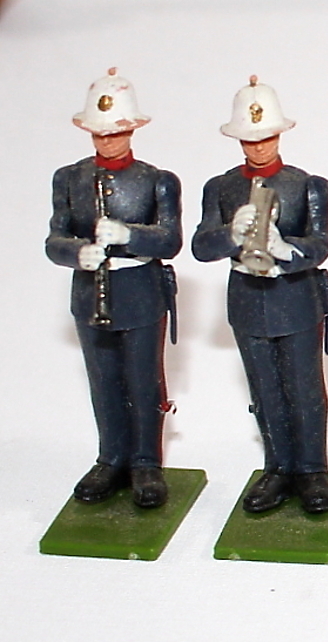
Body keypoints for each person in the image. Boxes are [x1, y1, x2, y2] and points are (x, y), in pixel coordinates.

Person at [191, 76, 328, 513]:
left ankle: (312, 470)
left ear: (279, 135)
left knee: (305, 389)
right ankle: (277, 467)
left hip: (295, 298)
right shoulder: (221, 188)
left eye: (266, 138)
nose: (258, 148)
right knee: (265, 389)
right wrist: (230, 235)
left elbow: (321, 244)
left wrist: (285, 250)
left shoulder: (307, 185)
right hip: (248, 299)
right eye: (250, 140)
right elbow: (200, 246)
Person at [46, 68, 183, 508]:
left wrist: (129, 235)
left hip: (139, 289)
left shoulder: (157, 179)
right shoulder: (69, 178)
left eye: (117, 132)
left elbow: (170, 241)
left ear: (132, 129)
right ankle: (110, 457)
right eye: (100, 133)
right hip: (91, 293)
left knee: (144, 381)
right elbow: (55, 239)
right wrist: (77, 253)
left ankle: (146, 462)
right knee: (103, 381)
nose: (108, 141)